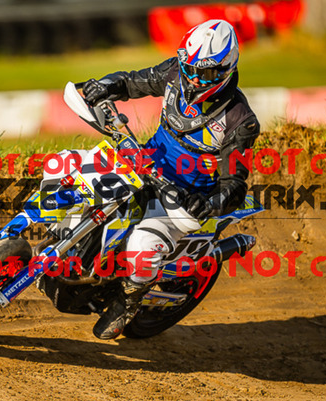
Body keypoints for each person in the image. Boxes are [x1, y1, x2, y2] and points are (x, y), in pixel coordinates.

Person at [82, 19, 260, 339]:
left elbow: (234, 184)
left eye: (205, 73)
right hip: (143, 163)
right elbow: (133, 81)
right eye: (189, 68)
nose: (194, 78)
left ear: (226, 69)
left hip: (182, 198)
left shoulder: (240, 120)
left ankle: (126, 304)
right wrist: (107, 86)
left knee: (143, 245)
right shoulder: (176, 72)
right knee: (77, 169)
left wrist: (207, 203)